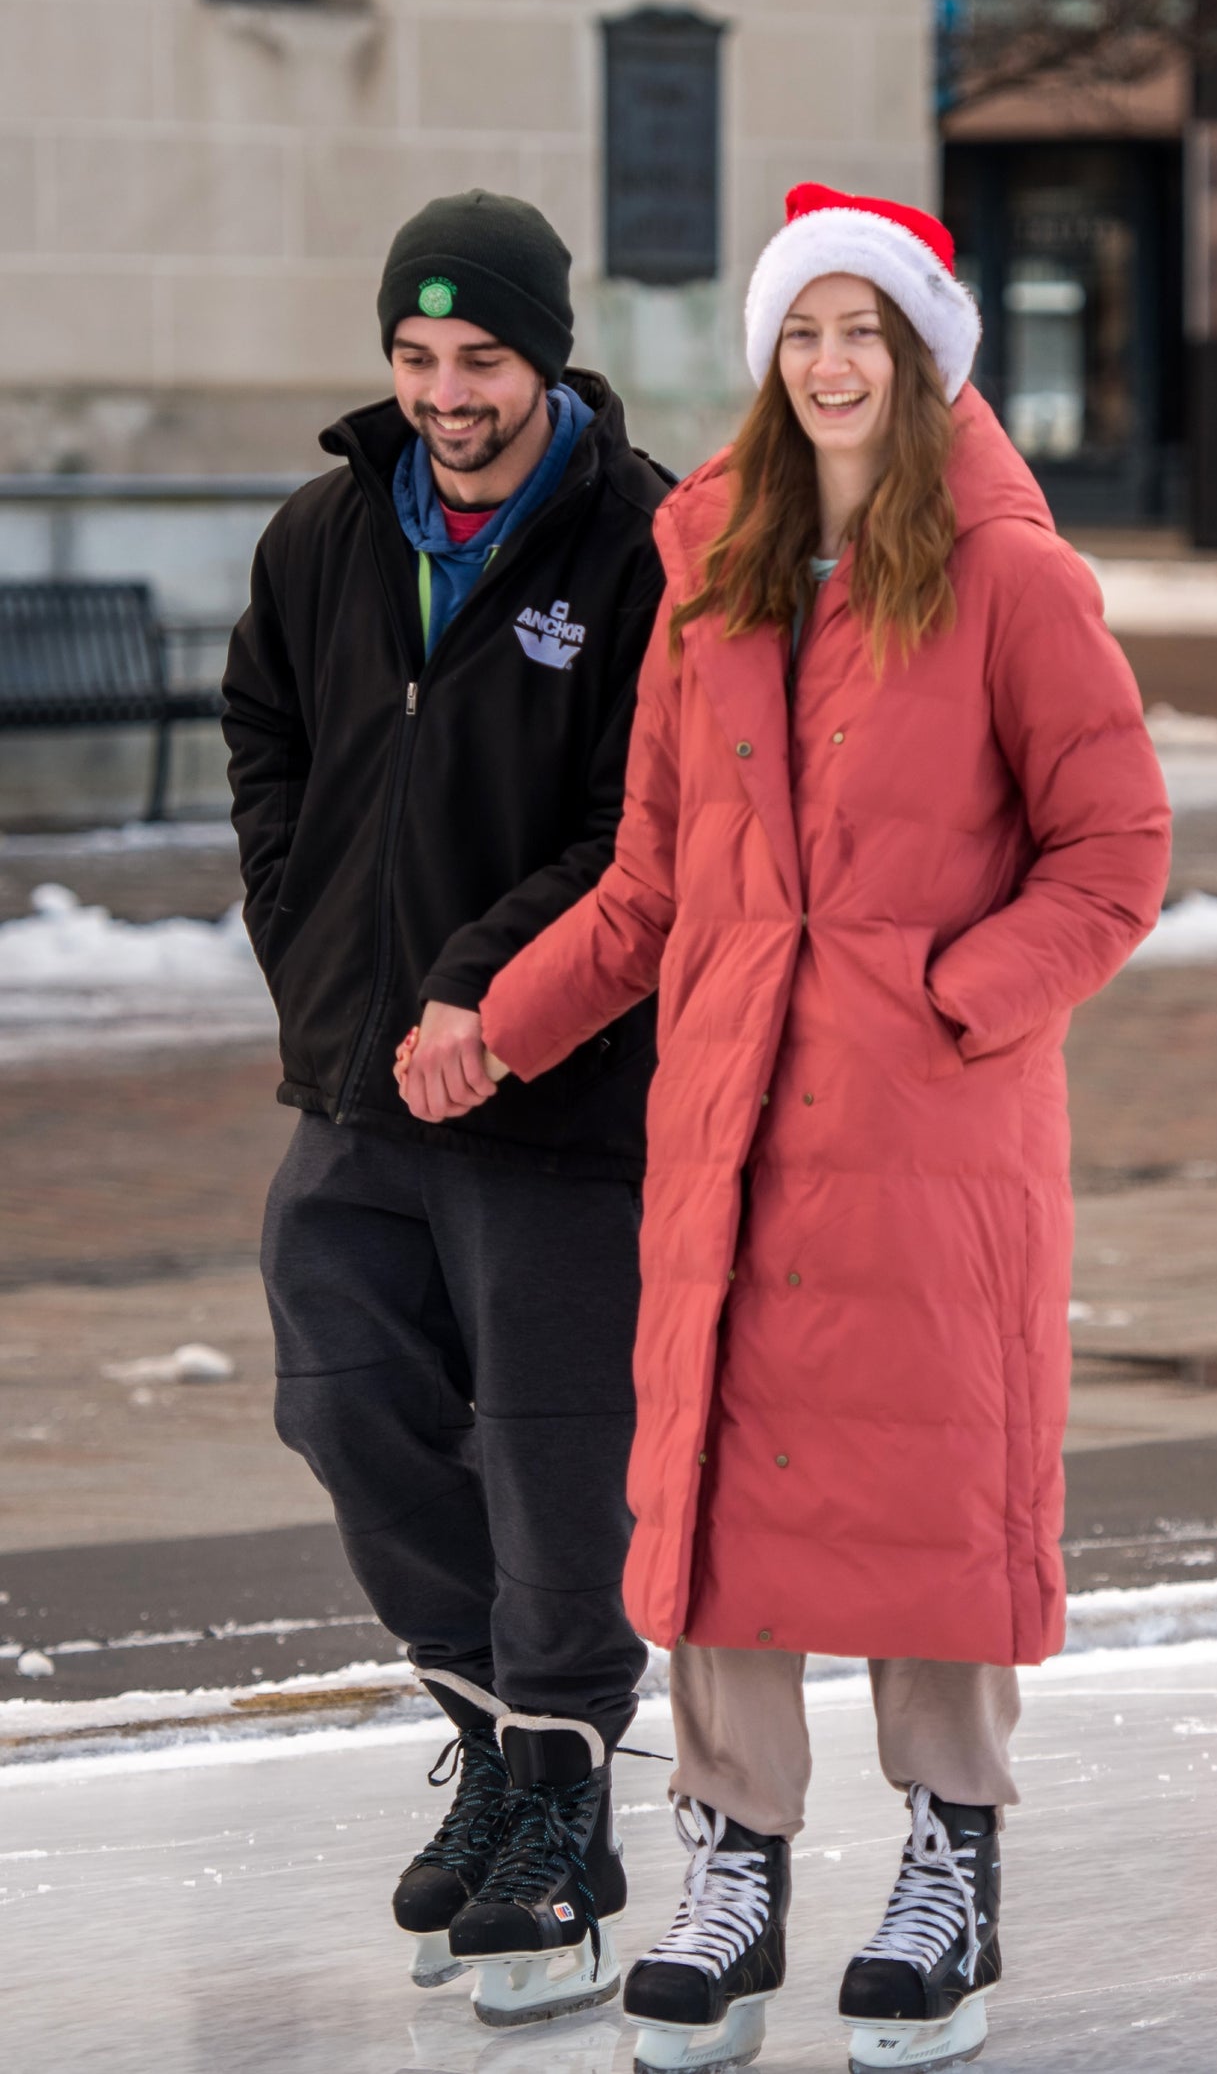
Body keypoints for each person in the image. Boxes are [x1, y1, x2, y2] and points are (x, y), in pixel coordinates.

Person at [448, 182, 1172, 2072]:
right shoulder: (718, 577)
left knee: (930, 1480)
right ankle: (734, 1864)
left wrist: (953, 1001)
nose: (832, 363)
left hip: (929, 1131)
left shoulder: (1013, 581)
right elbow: (650, 879)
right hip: (731, 1121)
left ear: (928, 357)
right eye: (803, 332)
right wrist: (495, 1029)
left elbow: (1115, 852)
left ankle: (950, 1863)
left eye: (865, 331)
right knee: (720, 1486)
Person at [221, 190, 669, 2028]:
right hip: (356, 1076)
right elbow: (268, 741)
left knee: (553, 1445)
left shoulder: (638, 545)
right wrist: (310, 940)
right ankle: (492, 1728)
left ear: (546, 354)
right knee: (341, 1390)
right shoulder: (326, 532)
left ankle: (564, 1797)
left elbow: (642, 829)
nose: (445, 395)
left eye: (480, 358)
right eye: (415, 359)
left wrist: (483, 985)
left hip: (548, 1084)